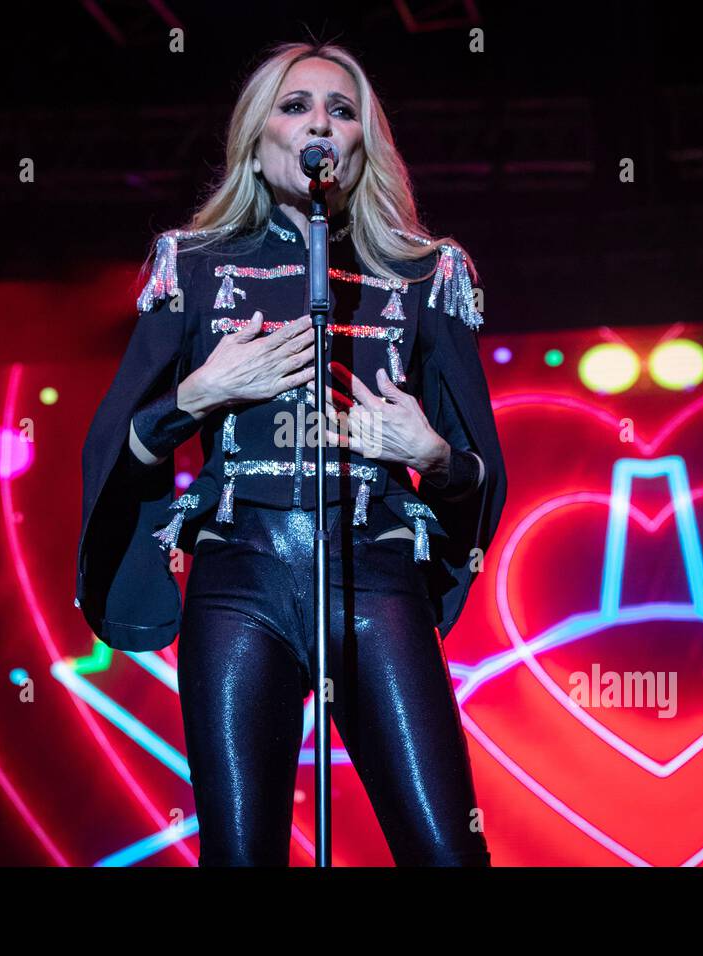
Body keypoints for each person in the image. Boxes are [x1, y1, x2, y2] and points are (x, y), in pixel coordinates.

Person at [75, 41, 507, 866]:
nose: (320, 124)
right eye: (296, 105)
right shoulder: (192, 268)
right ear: (258, 135)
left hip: (374, 573)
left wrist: (432, 453)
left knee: (449, 853)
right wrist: (194, 399)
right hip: (239, 579)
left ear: (362, 143)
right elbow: (115, 448)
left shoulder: (424, 275)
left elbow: (480, 472)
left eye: (342, 111)